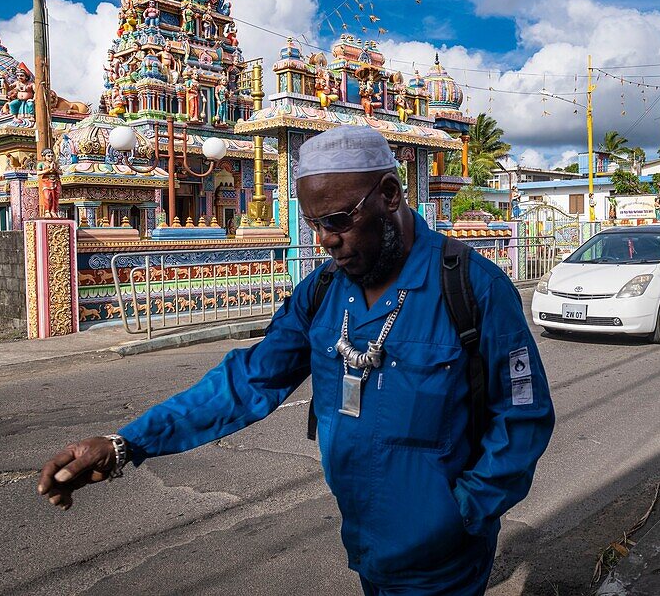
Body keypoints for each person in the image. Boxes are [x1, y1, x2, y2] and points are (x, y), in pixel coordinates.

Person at [37, 125, 555, 595]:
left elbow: (523, 416)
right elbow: (246, 382)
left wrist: (463, 512)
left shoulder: (473, 288)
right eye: (315, 224)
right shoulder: (323, 292)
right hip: (365, 541)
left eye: (339, 220)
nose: (327, 240)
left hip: (445, 559)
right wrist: (126, 443)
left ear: (391, 195)